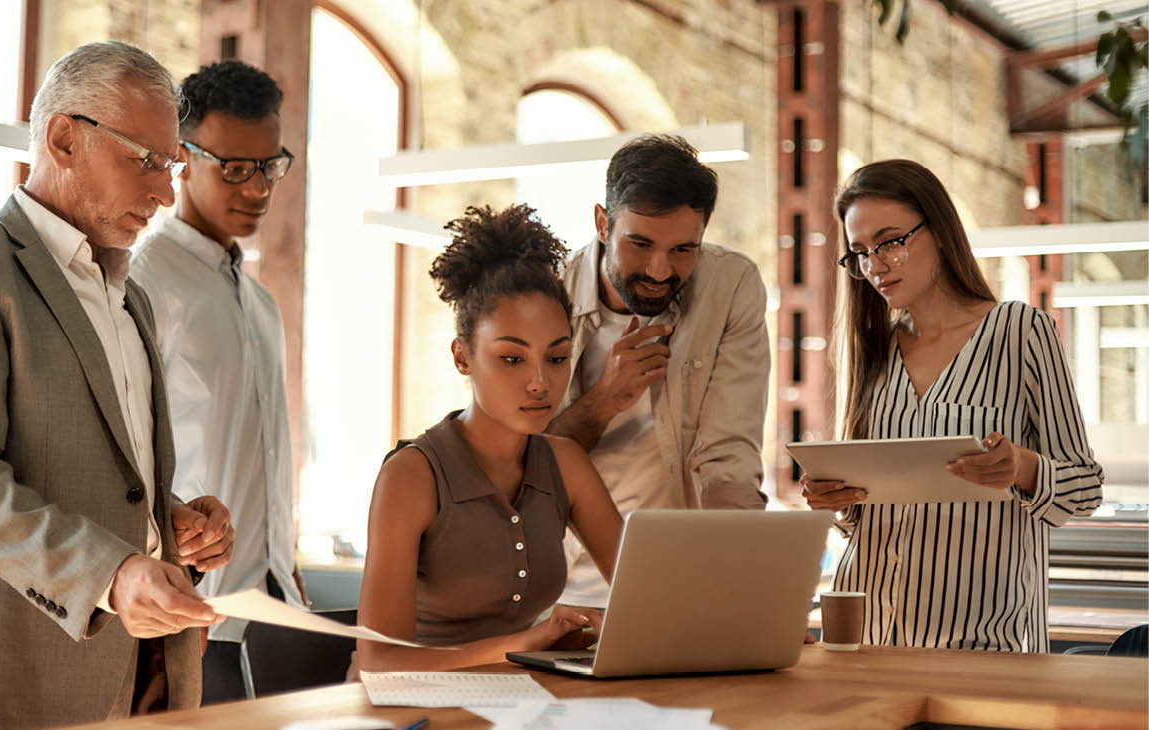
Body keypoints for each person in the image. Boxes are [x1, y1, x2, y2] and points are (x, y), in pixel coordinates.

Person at [0, 41, 236, 729]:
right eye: (150, 161)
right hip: (22, 681)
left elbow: (104, 474)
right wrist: (109, 574)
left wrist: (171, 523)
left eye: (174, 166)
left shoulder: (131, 297)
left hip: (153, 679)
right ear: (64, 138)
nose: (167, 193)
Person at [802, 158, 1104, 652]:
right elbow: (861, 516)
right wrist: (833, 496)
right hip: (870, 639)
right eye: (859, 252)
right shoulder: (872, 350)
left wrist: (1022, 467)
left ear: (938, 231)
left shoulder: (1020, 331)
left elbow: (1085, 488)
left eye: (891, 241)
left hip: (985, 643)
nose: (875, 265)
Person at [356, 204, 624, 672]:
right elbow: (380, 662)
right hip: (404, 714)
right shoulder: (412, 476)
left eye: (557, 359)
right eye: (512, 359)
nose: (541, 382)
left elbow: (647, 594)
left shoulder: (566, 463)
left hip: (518, 704)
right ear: (463, 356)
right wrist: (526, 642)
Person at [131, 59, 304, 704]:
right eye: (234, 168)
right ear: (182, 156)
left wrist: (286, 570)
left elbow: (271, 457)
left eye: (269, 165)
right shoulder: (144, 281)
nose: (257, 187)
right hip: (191, 612)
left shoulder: (261, 304)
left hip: (273, 606)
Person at [548, 134, 770, 609]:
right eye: (640, 243)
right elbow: (515, 464)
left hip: (684, 590)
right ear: (603, 223)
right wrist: (604, 399)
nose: (659, 269)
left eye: (683, 250)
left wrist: (755, 587)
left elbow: (729, 456)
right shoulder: (545, 297)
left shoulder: (730, 286)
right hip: (561, 594)